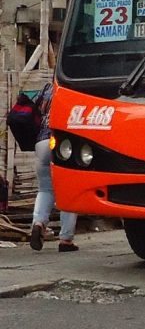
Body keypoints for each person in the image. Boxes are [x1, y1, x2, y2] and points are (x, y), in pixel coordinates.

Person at [29, 80, 78, 253]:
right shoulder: (72, 88)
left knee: (45, 189)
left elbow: (36, 111)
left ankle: (39, 223)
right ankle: (66, 240)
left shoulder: (47, 88)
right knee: (69, 191)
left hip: (41, 141)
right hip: (63, 143)